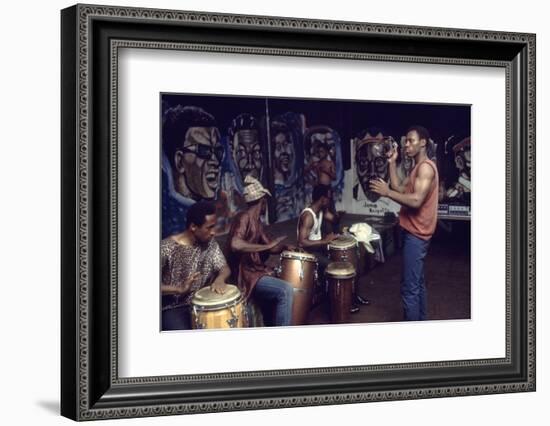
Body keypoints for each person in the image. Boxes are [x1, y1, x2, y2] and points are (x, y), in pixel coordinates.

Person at [369, 125, 439, 321]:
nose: (406, 144)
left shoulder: (425, 168)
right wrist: (392, 163)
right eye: (405, 141)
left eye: (411, 141)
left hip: (417, 235)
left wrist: (387, 192)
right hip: (414, 233)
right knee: (417, 283)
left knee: (409, 290)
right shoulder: (417, 167)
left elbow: (416, 201)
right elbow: (399, 187)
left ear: (423, 143)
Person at [226, 176, 295, 327]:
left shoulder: (257, 222)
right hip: (245, 275)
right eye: (266, 201)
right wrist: (264, 247)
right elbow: (235, 244)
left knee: (280, 279)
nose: (266, 205)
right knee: (286, 290)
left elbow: (270, 246)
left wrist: (283, 247)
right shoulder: (243, 217)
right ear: (262, 201)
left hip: (255, 272)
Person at [160, 201, 231, 330]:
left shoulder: (210, 243)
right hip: (174, 308)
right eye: (209, 227)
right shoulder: (166, 248)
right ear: (193, 226)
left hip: (201, 304)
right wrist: (178, 289)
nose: (213, 232)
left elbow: (224, 268)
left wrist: (220, 279)